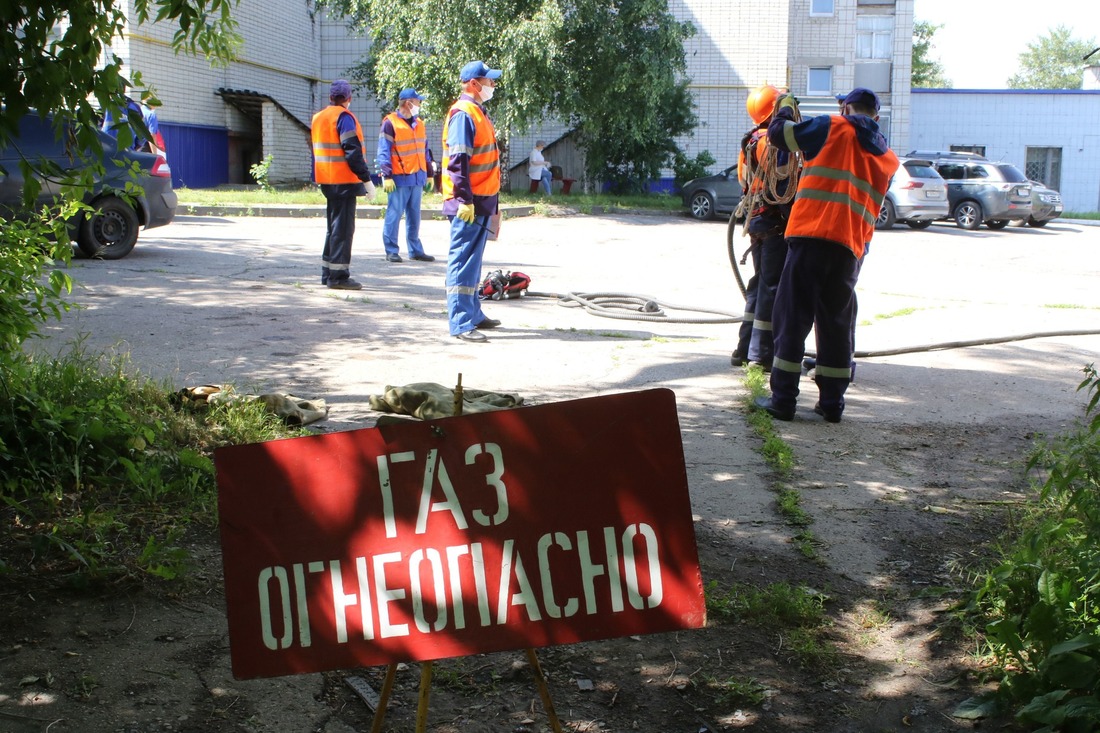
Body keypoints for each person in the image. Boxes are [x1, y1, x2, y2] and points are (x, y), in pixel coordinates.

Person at [753, 87, 899, 423]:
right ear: (875, 117)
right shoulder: (888, 158)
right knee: (836, 326)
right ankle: (832, 405)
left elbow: (779, 136)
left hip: (811, 237)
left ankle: (783, 400)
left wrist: (786, 107)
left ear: (847, 108)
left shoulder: (832, 126)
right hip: (850, 249)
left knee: (792, 317)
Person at [731, 85, 794, 372]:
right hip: (774, 223)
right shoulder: (773, 142)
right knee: (771, 287)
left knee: (759, 285)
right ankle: (760, 354)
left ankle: (743, 349)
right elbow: (783, 183)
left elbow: (745, 182)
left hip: (757, 221)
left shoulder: (749, 141)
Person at [441, 60, 504, 343]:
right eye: (489, 81)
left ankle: (473, 313)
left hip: (481, 199)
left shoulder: (477, 112)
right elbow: (458, 160)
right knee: (462, 261)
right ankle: (461, 322)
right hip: (469, 201)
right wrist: (465, 199)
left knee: (473, 262)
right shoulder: (464, 114)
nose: (492, 85)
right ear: (473, 84)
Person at [311, 79, 376, 290]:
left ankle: (327, 271)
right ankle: (338, 276)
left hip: (327, 179)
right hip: (344, 180)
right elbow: (352, 151)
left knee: (333, 228)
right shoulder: (344, 118)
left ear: (330, 97)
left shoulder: (319, 118)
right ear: (348, 98)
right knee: (343, 229)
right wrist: (366, 179)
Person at [377, 88, 435, 263]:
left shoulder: (420, 124)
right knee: (394, 213)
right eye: (418, 102)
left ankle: (415, 250)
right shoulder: (390, 123)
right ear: (408, 103)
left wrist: (429, 173)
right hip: (399, 177)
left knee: (414, 215)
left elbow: (425, 151)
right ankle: (391, 250)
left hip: (417, 176)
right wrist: (386, 175)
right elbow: (384, 151)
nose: (420, 105)